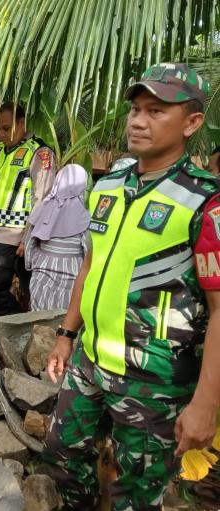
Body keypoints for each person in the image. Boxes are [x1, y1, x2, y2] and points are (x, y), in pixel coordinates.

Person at [44, 63, 220, 511]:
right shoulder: (110, 185)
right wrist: (66, 334)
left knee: (137, 494)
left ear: (192, 122)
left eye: (156, 111)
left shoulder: (204, 201)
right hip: (89, 360)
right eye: (136, 109)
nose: (138, 121)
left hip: (154, 380)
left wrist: (204, 404)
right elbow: (91, 262)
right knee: (63, 457)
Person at [0, 103, 57, 316]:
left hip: (14, 237)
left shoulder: (39, 152)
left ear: (21, 123)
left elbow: (43, 197)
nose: (0, 134)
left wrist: (29, 236)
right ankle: (6, 333)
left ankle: (15, 327)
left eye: (6, 128)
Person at [24, 164, 90, 311]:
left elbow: (30, 243)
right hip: (71, 277)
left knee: (39, 319)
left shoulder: (43, 207)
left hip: (41, 275)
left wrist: (32, 264)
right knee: (63, 320)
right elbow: (88, 251)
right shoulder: (84, 216)